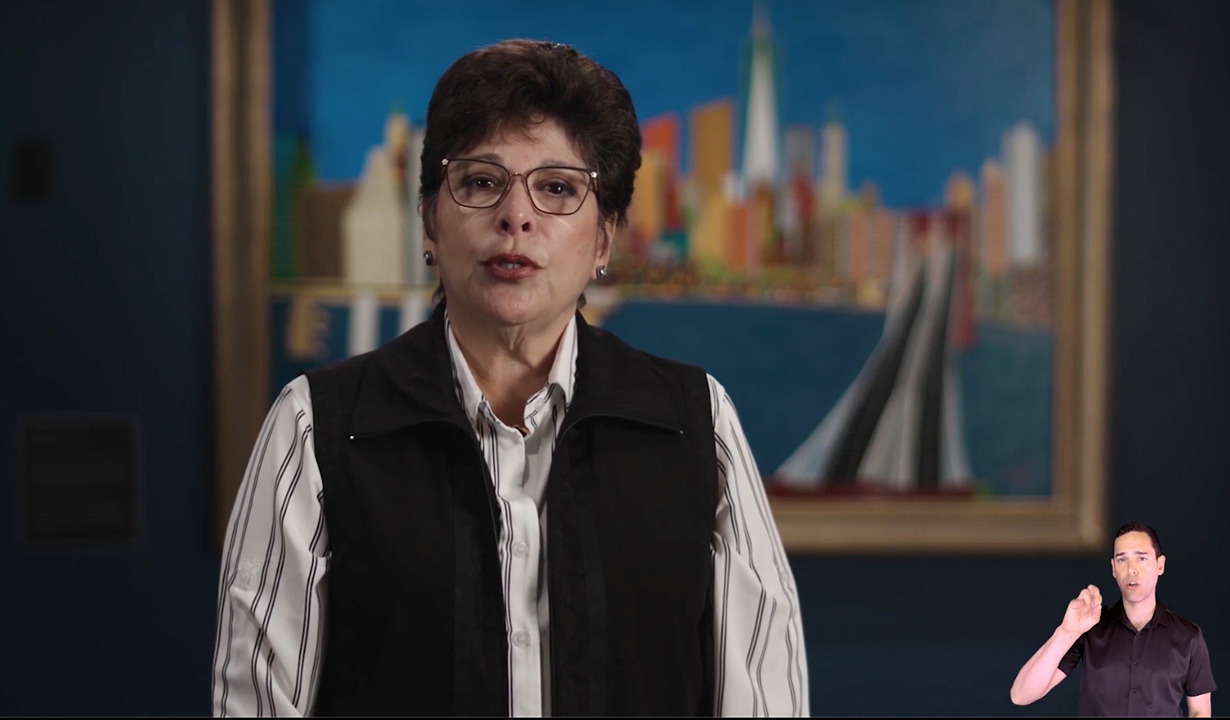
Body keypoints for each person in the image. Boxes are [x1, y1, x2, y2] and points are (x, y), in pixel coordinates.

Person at [211, 39, 808, 717]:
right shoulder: (316, 428)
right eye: (481, 181)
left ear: (605, 237)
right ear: (429, 220)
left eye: (557, 188)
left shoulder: (696, 423)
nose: (516, 216)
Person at [1009, 521, 1215, 717]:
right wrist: (1066, 632)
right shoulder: (1091, 628)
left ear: (1160, 565)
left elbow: (1200, 711)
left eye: (1141, 558)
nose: (1131, 569)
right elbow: (1021, 695)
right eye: (1122, 559)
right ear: (1113, 568)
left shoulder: (1188, 636)